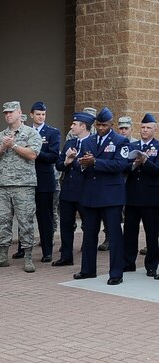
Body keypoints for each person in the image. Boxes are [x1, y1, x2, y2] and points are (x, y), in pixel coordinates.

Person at [72, 107, 129, 285]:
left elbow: (120, 165)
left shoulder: (121, 141)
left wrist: (95, 162)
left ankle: (116, 273)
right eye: (98, 125)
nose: (100, 128)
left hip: (111, 196)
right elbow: (78, 163)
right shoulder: (89, 141)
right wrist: (81, 163)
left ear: (111, 124)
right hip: (90, 195)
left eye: (104, 125)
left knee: (114, 235)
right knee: (89, 234)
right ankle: (88, 270)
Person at [0, 101, 42, 272]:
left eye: (11, 112)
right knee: (2, 221)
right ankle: (3, 255)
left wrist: (14, 145)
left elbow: (33, 154)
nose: (8, 115)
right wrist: (3, 146)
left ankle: (28, 257)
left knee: (25, 221)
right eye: (5, 113)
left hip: (23, 185)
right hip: (2, 185)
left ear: (19, 112)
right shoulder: (0, 135)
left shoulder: (30, 133)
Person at [13, 101, 61, 263]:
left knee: (44, 217)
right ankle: (23, 248)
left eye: (43, 114)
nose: (40, 117)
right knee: (23, 215)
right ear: (31, 115)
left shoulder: (52, 133)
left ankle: (47, 251)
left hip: (44, 181)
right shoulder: (23, 131)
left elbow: (53, 156)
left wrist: (33, 151)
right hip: (24, 179)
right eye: (38, 114)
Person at [53, 112, 93, 267]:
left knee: (89, 226)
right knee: (66, 225)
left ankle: (88, 258)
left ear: (83, 126)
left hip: (85, 190)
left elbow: (91, 167)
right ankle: (66, 256)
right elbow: (59, 165)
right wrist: (67, 161)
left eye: (75, 124)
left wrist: (75, 161)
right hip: (68, 190)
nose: (71, 126)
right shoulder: (70, 143)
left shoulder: (93, 143)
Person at [124, 114, 159, 277]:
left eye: (148, 128)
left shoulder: (158, 147)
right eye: (143, 127)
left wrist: (145, 162)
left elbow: (157, 171)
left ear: (155, 129)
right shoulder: (133, 145)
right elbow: (123, 168)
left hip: (151, 197)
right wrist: (133, 165)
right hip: (132, 196)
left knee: (151, 233)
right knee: (130, 232)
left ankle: (151, 265)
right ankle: (128, 262)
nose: (145, 130)